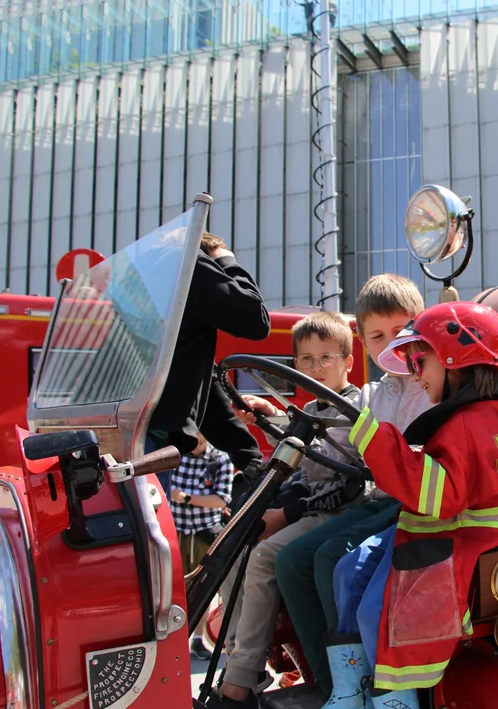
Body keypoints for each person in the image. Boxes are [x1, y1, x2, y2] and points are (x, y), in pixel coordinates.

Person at [325, 301, 498, 708]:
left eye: (419, 362)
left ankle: (394, 699)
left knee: (377, 610)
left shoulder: (470, 425)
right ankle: (350, 690)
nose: (414, 376)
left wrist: (378, 442)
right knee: (346, 570)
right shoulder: (483, 417)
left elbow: (439, 496)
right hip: (435, 529)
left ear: (455, 359)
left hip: (453, 541)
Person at [270, 275, 430, 701]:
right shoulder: (373, 396)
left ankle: (360, 684)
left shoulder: (432, 385)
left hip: (412, 500)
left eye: (401, 331)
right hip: (380, 497)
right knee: (288, 561)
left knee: (331, 558)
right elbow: (338, 431)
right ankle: (328, 680)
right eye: (378, 335)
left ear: (421, 326)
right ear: (363, 341)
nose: (391, 342)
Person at [211, 311, 364, 708]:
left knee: (263, 557)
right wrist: (268, 416)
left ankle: (240, 681)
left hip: (341, 511)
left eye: (326, 358)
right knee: (229, 548)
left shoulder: (356, 411)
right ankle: (242, 662)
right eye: (306, 360)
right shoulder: (310, 410)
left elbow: (346, 484)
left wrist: (285, 515)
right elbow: (295, 447)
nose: (316, 367)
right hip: (308, 510)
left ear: (349, 361)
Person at [147, 231, 271, 494]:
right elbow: (255, 319)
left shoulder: (148, 287)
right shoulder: (186, 264)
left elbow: (198, 383)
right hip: (149, 440)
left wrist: (249, 457)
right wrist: (226, 261)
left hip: (131, 432)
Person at [170, 433, 235, 661]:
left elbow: (222, 499)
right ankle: (172, 639)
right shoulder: (177, 454)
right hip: (174, 531)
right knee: (171, 587)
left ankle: (196, 639)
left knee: (202, 587)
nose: (195, 438)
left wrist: (187, 498)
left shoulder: (219, 460)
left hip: (204, 532)